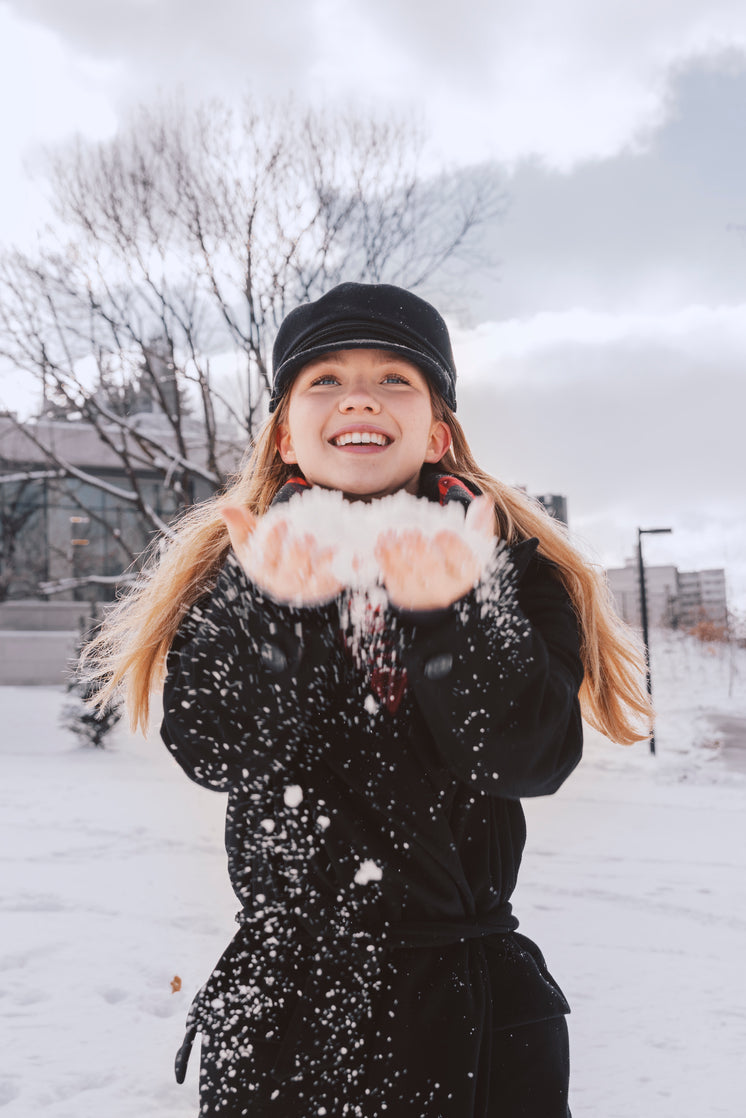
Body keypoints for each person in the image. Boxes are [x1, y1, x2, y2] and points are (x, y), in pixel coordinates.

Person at [86, 282, 652, 1117]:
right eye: (324, 380)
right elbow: (215, 750)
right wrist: (278, 610)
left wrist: (455, 613)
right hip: (286, 1014)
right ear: (285, 432)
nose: (359, 394)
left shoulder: (513, 572)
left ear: (437, 430)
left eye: (396, 379)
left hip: (475, 1013)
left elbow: (530, 758)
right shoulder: (241, 576)